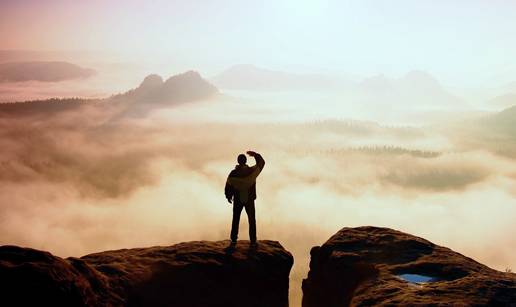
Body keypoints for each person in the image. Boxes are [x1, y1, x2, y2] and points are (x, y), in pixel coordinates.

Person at [225, 150, 265, 245]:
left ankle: (234, 239)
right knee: (251, 220)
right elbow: (261, 163)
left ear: (238, 161)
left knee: (236, 219)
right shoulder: (252, 171)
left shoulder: (233, 173)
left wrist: (228, 196)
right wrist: (255, 155)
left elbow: (228, 185)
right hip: (249, 199)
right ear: (245, 161)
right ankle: (253, 240)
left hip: (238, 199)